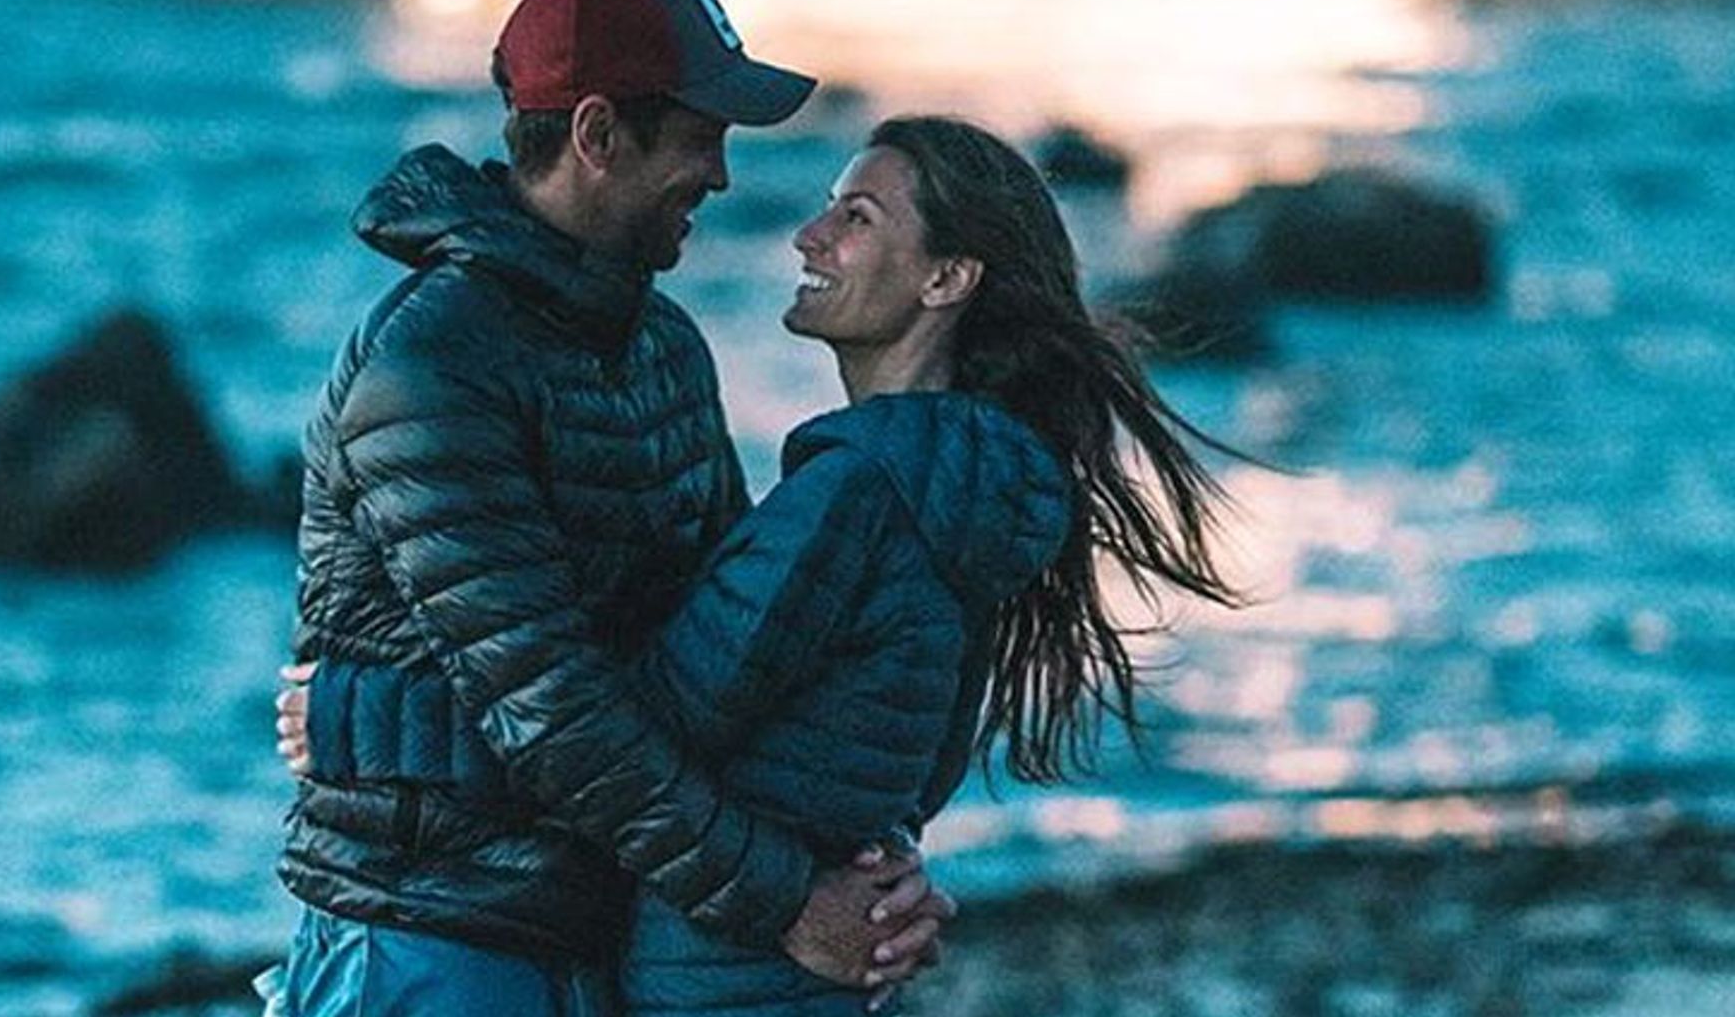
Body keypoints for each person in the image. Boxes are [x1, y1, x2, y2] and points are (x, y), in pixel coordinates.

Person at [284, 115, 1244, 1014]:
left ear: (948, 279)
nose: (807, 235)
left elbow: (636, 723)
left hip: (726, 974)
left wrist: (355, 715)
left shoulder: (856, 498)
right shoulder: (972, 494)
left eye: (856, 218)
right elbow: (905, 773)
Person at [264, 0, 951, 1017]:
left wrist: (872, 864)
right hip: (430, 940)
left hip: (598, 931)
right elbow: (554, 710)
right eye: (698, 135)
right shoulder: (436, 366)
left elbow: (726, 664)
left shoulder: (662, 345)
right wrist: (784, 902)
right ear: (595, 136)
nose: (720, 175)